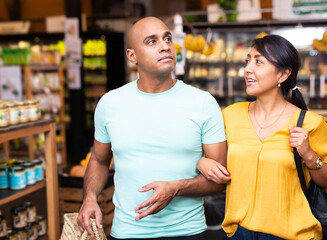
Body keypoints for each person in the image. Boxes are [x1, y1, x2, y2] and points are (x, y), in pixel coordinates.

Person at [77, 16, 227, 240]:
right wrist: (89, 197)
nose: (165, 45)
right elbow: (99, 160)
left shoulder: (203, 103)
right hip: (128, 232)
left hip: (188, 232)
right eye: (152, 41)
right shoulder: (110, 103)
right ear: (132, 56)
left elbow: (220, 179)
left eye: (167, 38)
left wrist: (177, 187)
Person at [197, 35, 327, 240]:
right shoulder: (230, 115)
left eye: (258, 61)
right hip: (238, 233)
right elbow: (210, 156)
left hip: (292, 235)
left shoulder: (309, 123)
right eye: (247, 61)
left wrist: (309, 156)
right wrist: (202, 162)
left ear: (283, 74)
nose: (248, 68)